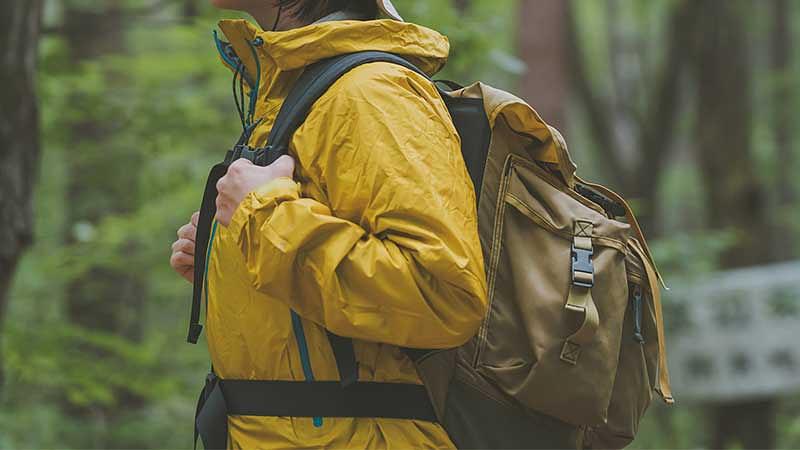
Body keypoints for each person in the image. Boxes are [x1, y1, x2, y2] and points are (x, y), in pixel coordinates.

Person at [169, 0, 488, 448]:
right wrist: (232, 255)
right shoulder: (297, 87)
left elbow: (441, 293)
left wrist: (261, 215)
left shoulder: (372, 93)